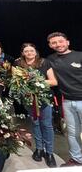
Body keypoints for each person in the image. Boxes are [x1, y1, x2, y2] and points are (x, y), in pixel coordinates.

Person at [14, 43, 57, 167]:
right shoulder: (18, 64)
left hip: (44, 100)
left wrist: (36, 81)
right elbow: (16, 82)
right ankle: (39, 149)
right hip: (29, 100)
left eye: (31, 50)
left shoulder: (44, 62)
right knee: (35, 123)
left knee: (47, 125)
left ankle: (49, 152)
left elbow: (54, 81)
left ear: (35, 52)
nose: (29, 53)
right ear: (23, 53)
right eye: (26, 51)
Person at [47, 32, 82, 166]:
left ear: (67, 42)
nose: (58, 45)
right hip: (67, 101)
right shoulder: (51, 59)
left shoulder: (79, 55)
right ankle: (77, 159)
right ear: (50, 45)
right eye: (54, 43)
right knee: (72, 133)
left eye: (60, 41)